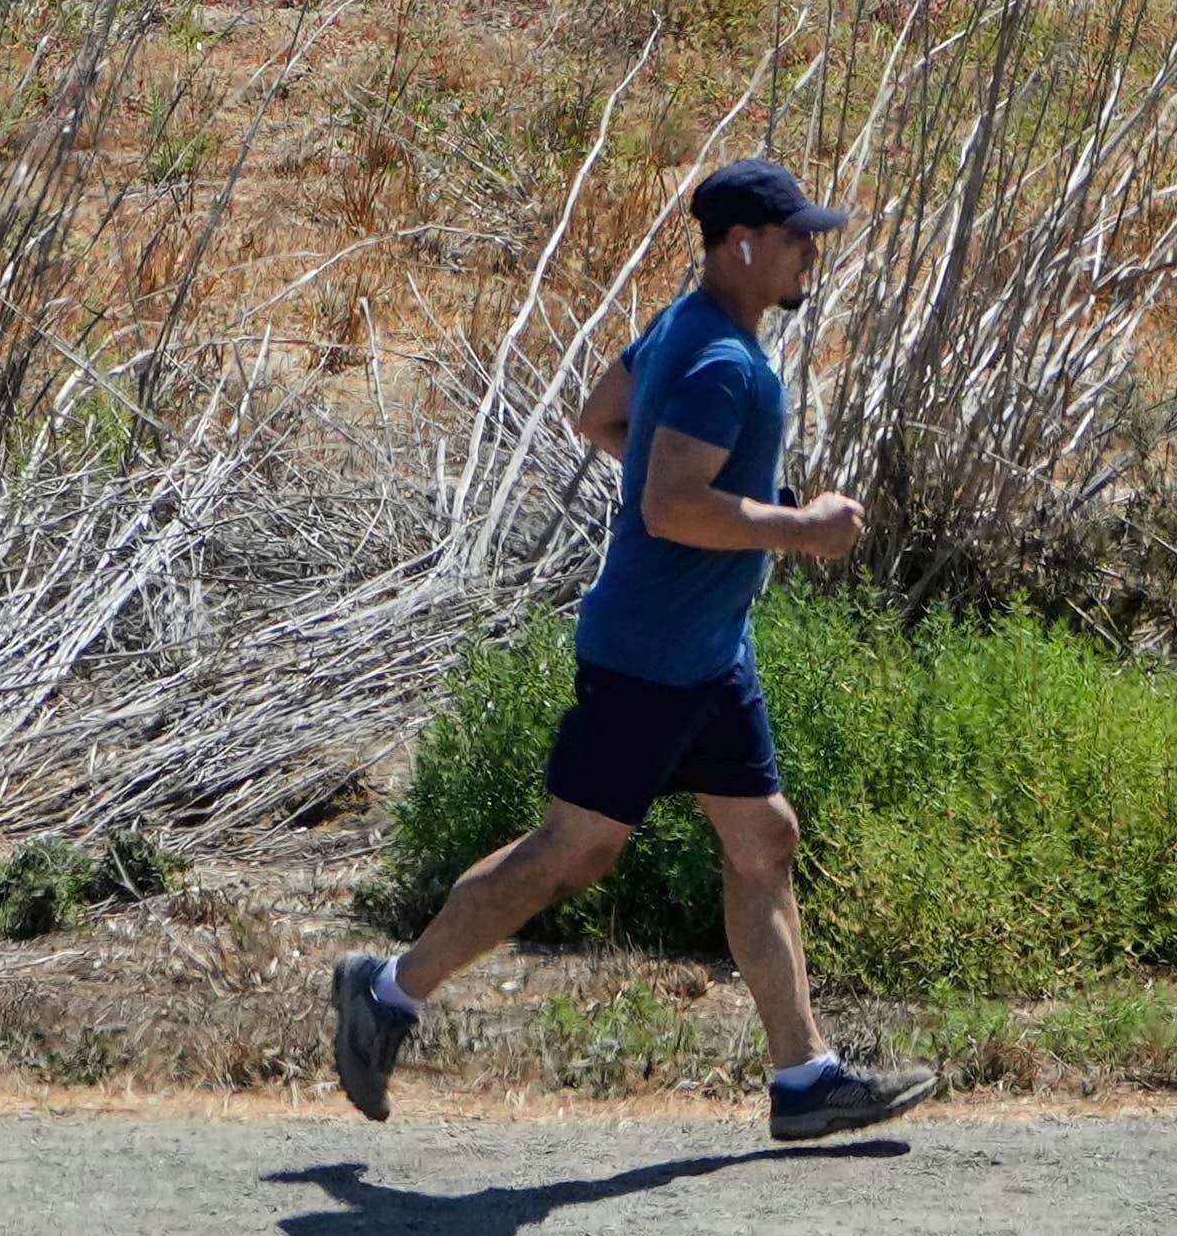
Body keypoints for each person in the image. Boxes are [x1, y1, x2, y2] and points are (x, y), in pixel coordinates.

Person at [328, 158, 936, 1150]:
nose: (808, 254)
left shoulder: (680, 331)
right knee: (575, 852)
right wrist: (801, 527)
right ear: (741, 244)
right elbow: (665, 504)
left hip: (706, 655)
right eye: (794, 238)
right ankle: (385, 991)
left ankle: (803, 1077)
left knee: (763, 840)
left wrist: (728, 504)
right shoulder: (718, 361)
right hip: (650, 659)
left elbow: (602, 418)